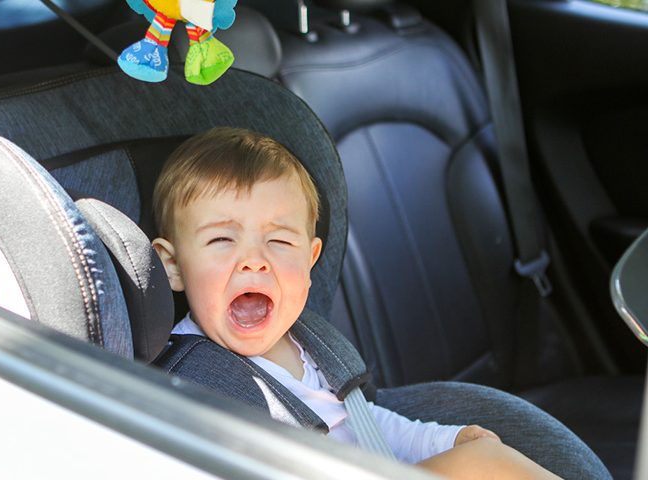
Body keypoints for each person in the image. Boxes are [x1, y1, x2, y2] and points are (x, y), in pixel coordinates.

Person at [151, 126, 562, 479]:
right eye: (222, 240)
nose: (254, 261)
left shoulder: (307, 342)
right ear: (173, 266)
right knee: (483, 465)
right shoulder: (190, 378)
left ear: (311, 260)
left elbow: (366, 422)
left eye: (278, 241)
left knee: (479, 456)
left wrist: (445, 439)